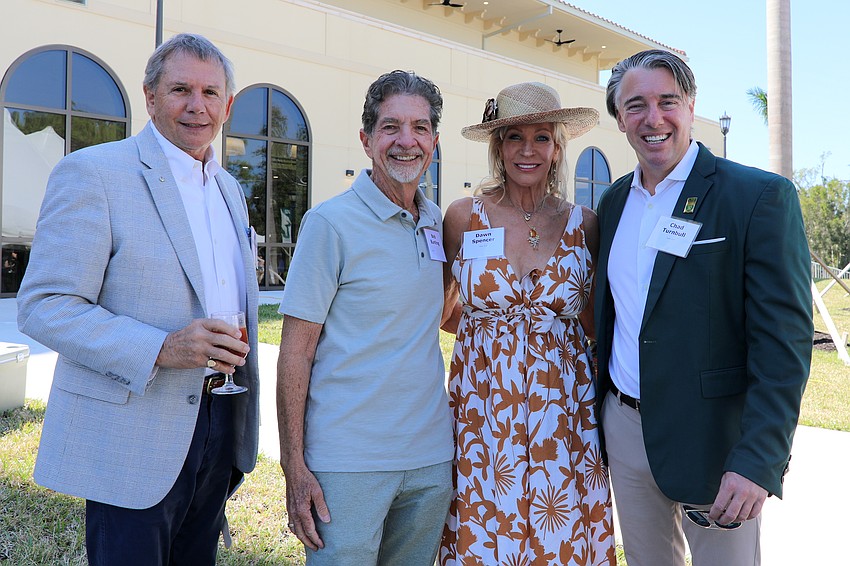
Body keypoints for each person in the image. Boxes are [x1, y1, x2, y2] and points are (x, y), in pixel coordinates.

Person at [17, 33, 260, 565]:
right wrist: (161, 348)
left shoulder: (229, 189)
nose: (197, 106)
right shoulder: (94, 173)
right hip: (132, 436)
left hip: (220, 419)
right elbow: (43, 304)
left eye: (210, 92)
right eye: (180, 89)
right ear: (149, 96)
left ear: (228, 104)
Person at [594, 49, 813, 566]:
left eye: (667, 101)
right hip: (626, 432)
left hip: (717, 441)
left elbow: (784, 346)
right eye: (636, 105)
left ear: (691, 107)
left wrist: (760, 460)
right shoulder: (613, 203)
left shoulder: (757, 197)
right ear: (620, 118)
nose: (654, 119)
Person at [276, 70, 454, 565]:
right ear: (366, 139)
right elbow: (295, 351)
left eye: (420, 128)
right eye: (391, 126)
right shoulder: (329, 224)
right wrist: (295, 465)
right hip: (348, 464)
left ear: (434, 143)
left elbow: (443, 315)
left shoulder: (437, 222)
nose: (406, 141)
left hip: (431, 459)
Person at [439, 82, 615, 565]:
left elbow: (593, 324)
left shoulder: (587, 224)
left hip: (562, 418)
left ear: (558, 147)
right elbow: (439, 310)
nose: (528, 150)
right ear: (498, 146)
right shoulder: (463, 217)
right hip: (481, 416)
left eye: (542, 137)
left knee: (560, 538)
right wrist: (494, 334)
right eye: (515, 136)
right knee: (482, 535)